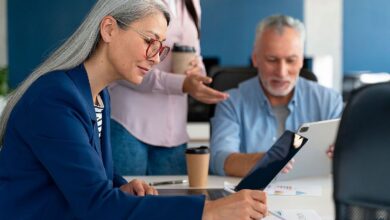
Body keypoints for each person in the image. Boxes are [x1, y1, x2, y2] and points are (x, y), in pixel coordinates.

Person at [0, 0, 267, 219]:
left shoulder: (98, 94)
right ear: (109, 29)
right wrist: (209, 211)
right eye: (149, 41)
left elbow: (91, 176)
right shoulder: (55, 99)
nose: (155, 57)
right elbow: (98, 206)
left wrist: (119, 186)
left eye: (161, 48)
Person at [210, 14, 343, 177]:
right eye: (272, 60)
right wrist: (259, 161)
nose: (281, 72)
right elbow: (219, 160)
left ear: (301, 60)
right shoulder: (230, 102)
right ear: (255, 59)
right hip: (251, 198)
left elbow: (351, 155)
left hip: (314, 197)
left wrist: (344, 154)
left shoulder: (329, 101)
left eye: (291, 60)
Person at [109, 0, 227, 176]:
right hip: (129, 128)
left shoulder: (192, 3)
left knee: (173, 201)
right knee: (126, 201)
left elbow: (195, 54)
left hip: (174, 135)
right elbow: (123, 64)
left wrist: (197, 73)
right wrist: (181, 84)